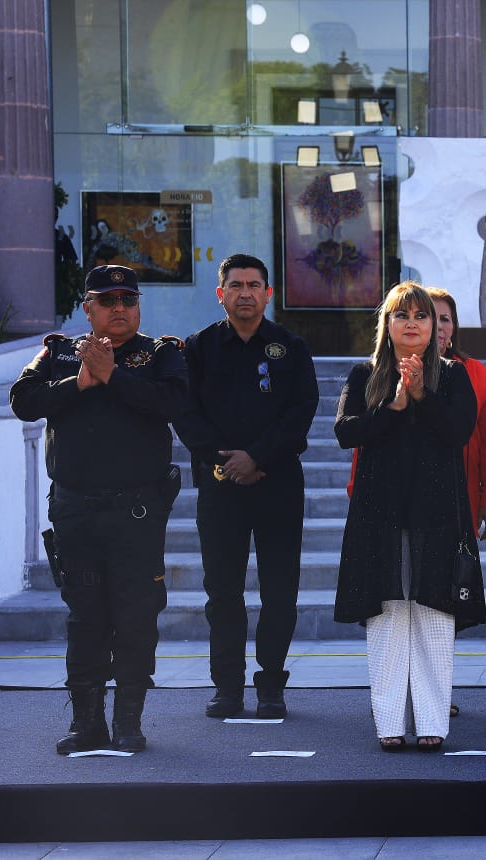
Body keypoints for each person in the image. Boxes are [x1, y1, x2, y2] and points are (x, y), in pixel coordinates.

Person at [10, 265, 186, 753]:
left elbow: (174, 404)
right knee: (84, 616)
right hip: (76, 511)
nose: (119, 309)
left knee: (135, 614)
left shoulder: (160, 353)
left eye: (128, 300)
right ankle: (87, 724)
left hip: (137, 511)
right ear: (88, 308)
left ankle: (128, 723)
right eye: (107, 300)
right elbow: (23, 400)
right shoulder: (60, 351)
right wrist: (81, 384)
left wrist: (113, 377)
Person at [333, 282, 481, 752]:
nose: (414, 324)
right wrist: (394, 405)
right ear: (388, 324)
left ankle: (435, 721)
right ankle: (390, 724)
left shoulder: (455, 375)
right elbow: (345, 432)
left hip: (438, 514)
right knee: (389, 615)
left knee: (435, 614)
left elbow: (459, 431)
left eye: (423, 316)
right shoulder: (363, 375)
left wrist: (421, 395)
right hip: (380, 513)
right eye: (403, 316)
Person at [174, 253, 319, 720]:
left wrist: (256, 457)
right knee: (223, 593)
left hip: (277, 485)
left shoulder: (290, 347)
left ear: (268, 293)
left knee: (280, 592)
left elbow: (302, 412)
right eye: (235, 285)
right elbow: (186, 414)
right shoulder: (197, 348)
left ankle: (271, 686)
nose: (245, 293)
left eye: (254, 285)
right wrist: (228, 461)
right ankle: (228, 688)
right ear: (220, 294)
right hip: (220, 488)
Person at [426, 287, 486, 541]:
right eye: (429, 316)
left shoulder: (477, 373)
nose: (439, 326)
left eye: (445, 319)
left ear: (454, 329)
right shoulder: (392, 369)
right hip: (406, 495)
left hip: (461, 497)